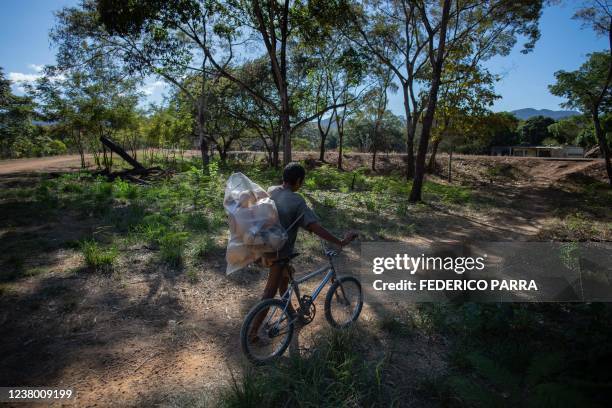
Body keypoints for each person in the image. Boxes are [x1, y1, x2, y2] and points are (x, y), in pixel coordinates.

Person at [250, 162, 357, 341]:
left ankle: (293, 315)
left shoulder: (272, 190)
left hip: (263, 246)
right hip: (279, 253)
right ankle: (252, 332)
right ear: (299, 181)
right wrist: (340, 241)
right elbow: (315, 227)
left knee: (285, 281)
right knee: (269, 293)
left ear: (284, 178)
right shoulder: (297, 200)